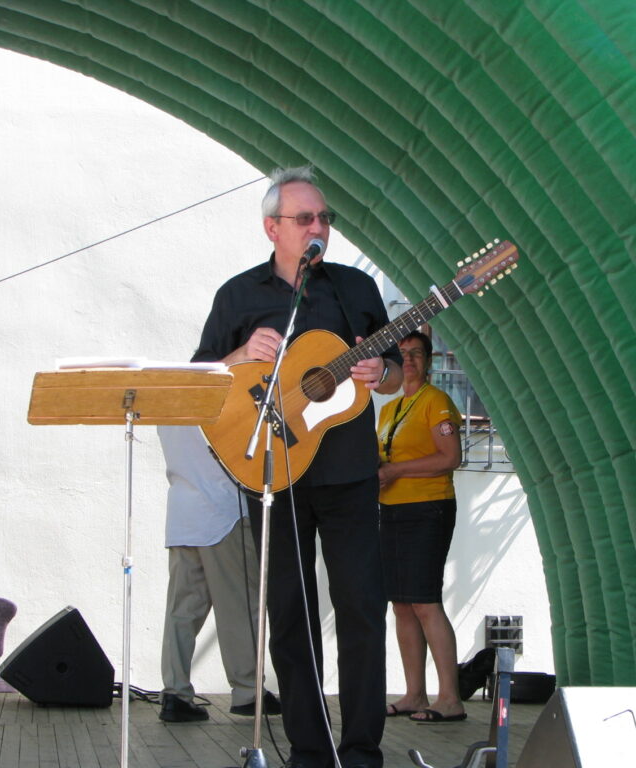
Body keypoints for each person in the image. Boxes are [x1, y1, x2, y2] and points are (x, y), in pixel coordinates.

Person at [191, 166, 402, 768]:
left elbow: (393, 372)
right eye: (305, 218)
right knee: (290, 613)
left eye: (324, 218)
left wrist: (380, 372)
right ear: (272, 228)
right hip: (272, 474)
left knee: (363, 608)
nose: (318, 228)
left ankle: (361, 751)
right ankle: (310, 751)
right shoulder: (238, 295)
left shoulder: (356, 289)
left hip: (350, 472)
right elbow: (202, 378)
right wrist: (239, 354)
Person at [156, 424, 281, 722]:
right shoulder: (222, 394)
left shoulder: (167, 404)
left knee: (182, 612)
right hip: (223, 508)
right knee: (240, 607)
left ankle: (175, 693)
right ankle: (248, 691)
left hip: (183, 510)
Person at [376, 330, 465, 723]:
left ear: (429, 361)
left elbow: (450, 457)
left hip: (429, 508)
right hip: (392, 510)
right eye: (402, 353)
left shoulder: (436, 402)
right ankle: (414, 694)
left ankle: (450, 699)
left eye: (416, 353)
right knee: (401, 604)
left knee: (425, 602)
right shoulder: (388, 409)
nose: (408, 359)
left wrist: (395, 470)